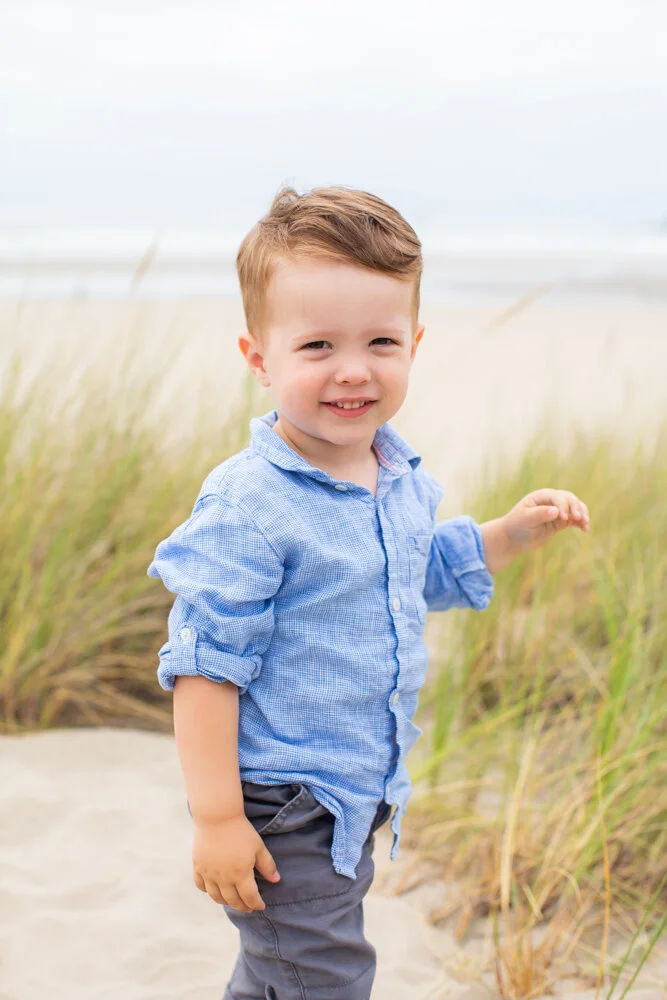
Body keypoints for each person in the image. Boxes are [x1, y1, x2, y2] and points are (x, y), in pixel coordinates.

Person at [146, 185, 590, 1000]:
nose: (353, 370)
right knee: (325, 976)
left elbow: (408, 574)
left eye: (380, 340)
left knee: (285, 970)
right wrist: (216, 819)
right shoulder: (250, 505)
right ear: (259, 358)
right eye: (316, 346)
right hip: (282, 802)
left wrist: (503, 536)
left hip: (358, 788)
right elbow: (206, 667)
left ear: (414, 345)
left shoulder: (395, 471)